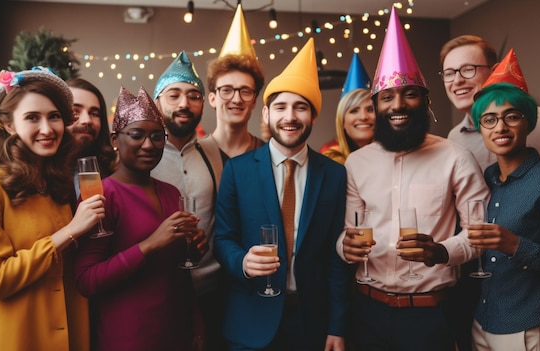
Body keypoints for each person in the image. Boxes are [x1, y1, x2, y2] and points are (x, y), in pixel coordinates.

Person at [338, 9, 489, 350]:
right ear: (376, 106)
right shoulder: (357, 163)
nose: (398, 105)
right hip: (367, 311)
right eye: (387, 98)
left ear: (424, 100)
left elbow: (478, 235)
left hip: (432, 314)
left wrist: (441, 252)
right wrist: (343, 246)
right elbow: (348, 231)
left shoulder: (455, 156)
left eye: (409, 94)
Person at [440, 34, 540, 351]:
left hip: (535, 315)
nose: (501, 128)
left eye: (467, 69)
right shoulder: (460, 145)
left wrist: (517, 245)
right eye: (449, 73)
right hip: (484, 311)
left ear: (528, 121)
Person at [214, 38, 349, 350]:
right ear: (265, 114)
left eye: (300, 107)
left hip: (311, 322)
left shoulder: (334, 174)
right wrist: (242, 262)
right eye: (281, 107)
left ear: (313, 116)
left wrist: (337, 326)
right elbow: (223, 239)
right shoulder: (238, 170)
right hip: (249, 321)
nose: (290, 116)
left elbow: (335, 256)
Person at [0, 67, 106, 351]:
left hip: (71, 336)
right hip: (14, 339)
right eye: (32, 117)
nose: (47, 129)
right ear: (9, 125)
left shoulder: (61, 185)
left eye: (54, 116)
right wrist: (68, 232)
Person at [74, 86, 205, 351]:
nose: (148, 145)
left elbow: (178, 270)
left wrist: (196, 247)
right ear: (115, 139)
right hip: (127, 337)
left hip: (176, 332)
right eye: (136, 135)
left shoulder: (171, 192)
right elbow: (86, 280)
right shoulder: (101, 196)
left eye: (157, 137)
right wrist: (150, 244)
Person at [441, 35, 540, 188]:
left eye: (468, 69)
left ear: (495, 71)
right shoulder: (455, 139)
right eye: (449, 73)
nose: (457, 80)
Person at [151, 49, 222, 350]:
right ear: (157, 104)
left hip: (212, 290)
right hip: (156, 292)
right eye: (174, 95)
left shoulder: (215, 154)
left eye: (194, 96)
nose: (184, 103)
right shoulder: (142, 156)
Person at [206, 4, 265, 163]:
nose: (237, 99)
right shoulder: (196, 155)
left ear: (254, 101)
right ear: (212, 98)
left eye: (245, 91)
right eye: (226, 90)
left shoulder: (268, 157)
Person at [323, 53, 374, 164]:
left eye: (370, 109)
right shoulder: (330, 162)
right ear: (342, 121)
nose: (363, 117)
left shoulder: (394, 158)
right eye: (354, 110)